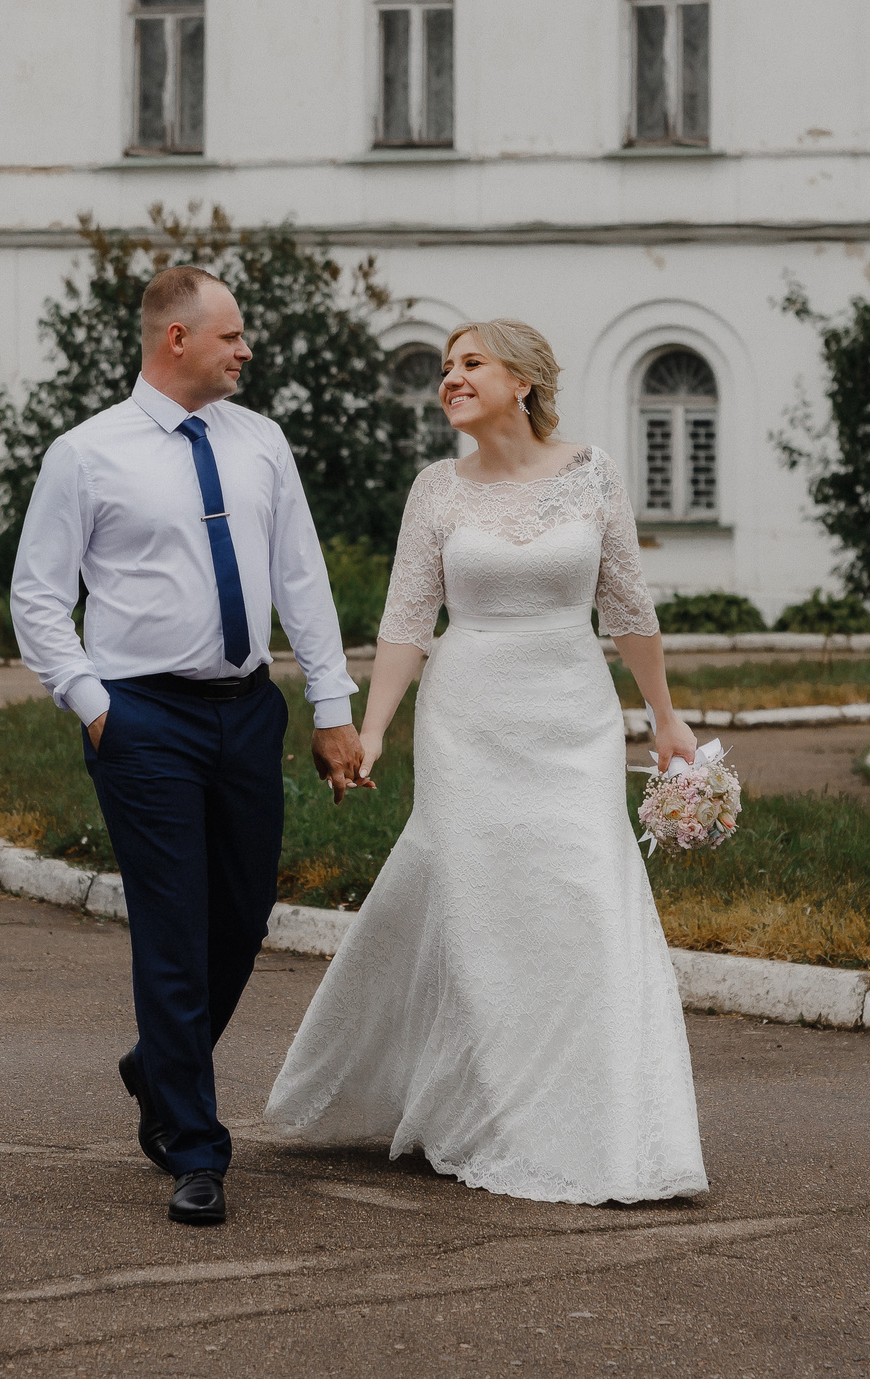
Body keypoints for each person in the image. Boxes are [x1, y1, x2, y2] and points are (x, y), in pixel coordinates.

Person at [264, 318, 709, 1204]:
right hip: (467, 719)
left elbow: (628, 606)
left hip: (572, 718)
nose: (450, 380)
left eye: (470, 364)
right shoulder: (436, 489)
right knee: (482, 912)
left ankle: (610, 1121)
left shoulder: (591, 474)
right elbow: (406, 623)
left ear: (524, 381)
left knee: (585, 899)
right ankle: (494, 1105)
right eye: (444, 368)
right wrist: (376, 728)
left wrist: (667, 721)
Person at [10, 265, 366, 1227]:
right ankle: (197, 1148)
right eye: (232, 335)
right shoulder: (86, 454)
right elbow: (38, 597)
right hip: (144, 720)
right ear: (177, 338)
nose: (246, 349)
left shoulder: (263, 444)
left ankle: (156, 1064)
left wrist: (332, 708)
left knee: (244, 916)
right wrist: (94, 705)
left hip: (247, 711)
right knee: (174, 926)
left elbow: (303, 580)